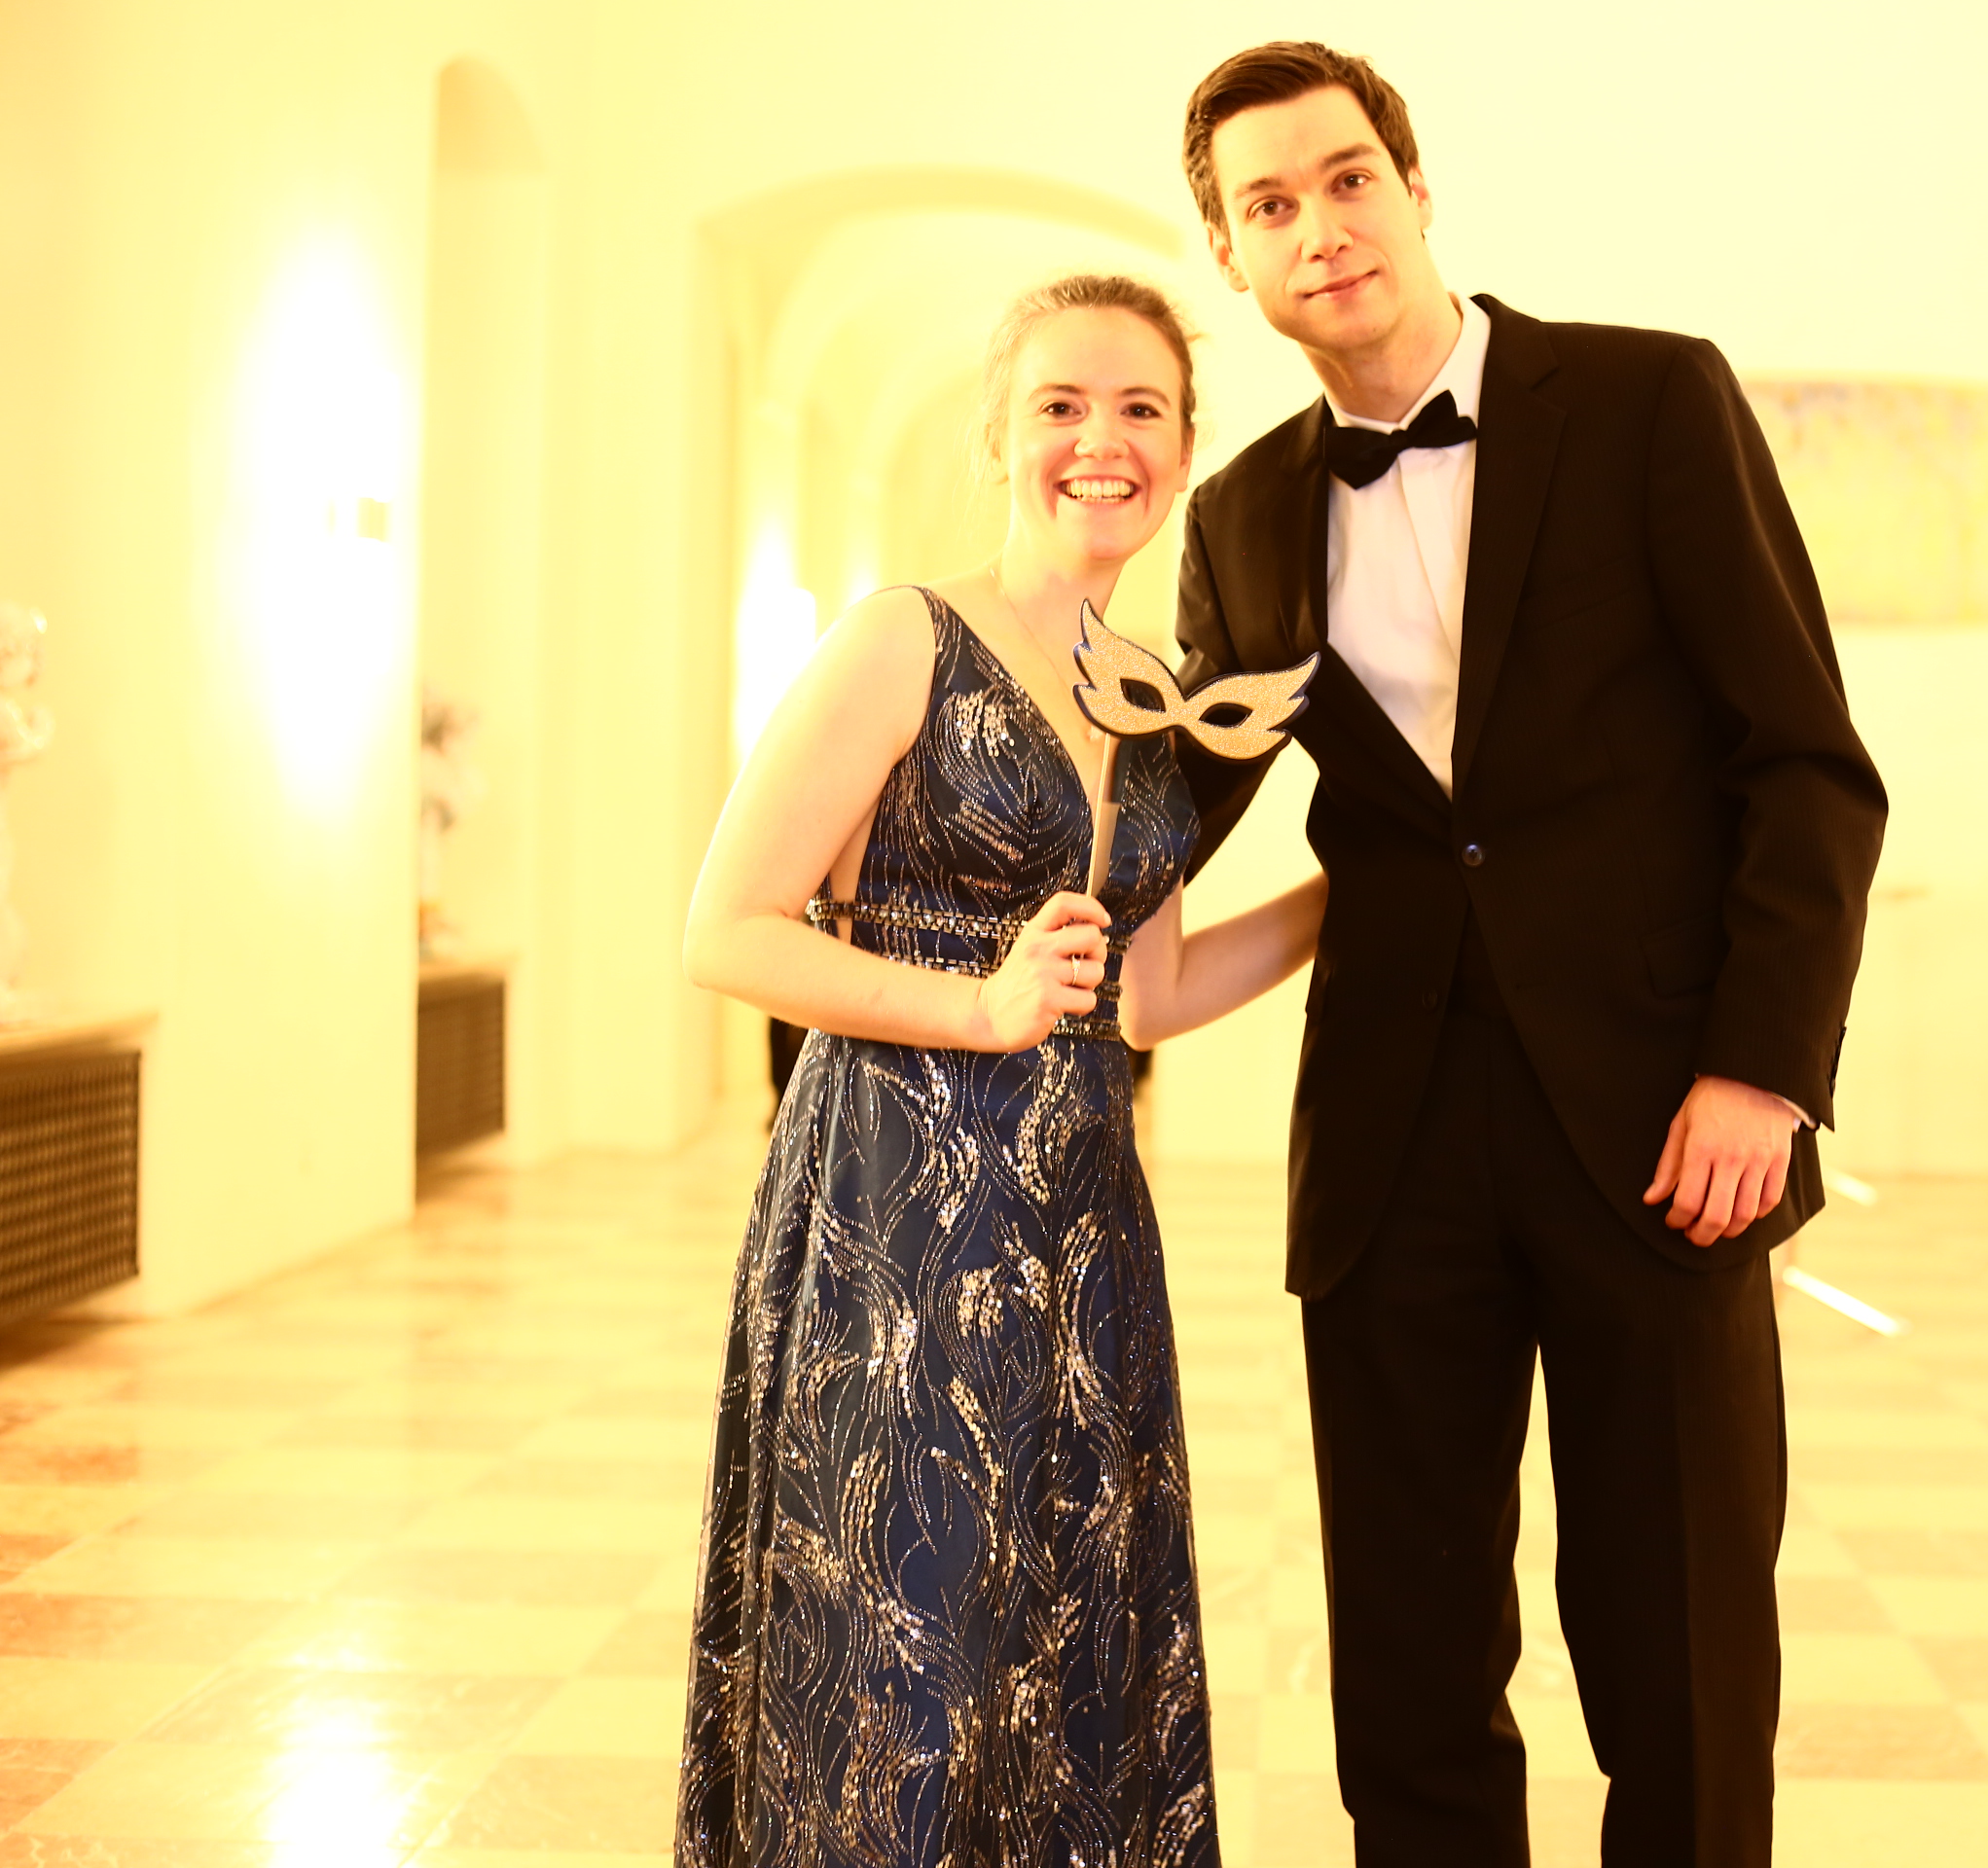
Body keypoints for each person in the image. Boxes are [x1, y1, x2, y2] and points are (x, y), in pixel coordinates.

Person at [1169, 45, 1887, 1867]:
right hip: (1391, 1141)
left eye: (1347, 179)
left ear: (1416, 190)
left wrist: (1763, 1072)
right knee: (1408, 1664)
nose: (1320, 228)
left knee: (1679, 1647)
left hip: (1666, 1125)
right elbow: (1172, 804)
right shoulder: (1241, 515)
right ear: (1231, 259)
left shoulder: (1650, 399)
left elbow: (1806, 763)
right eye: (1269, 205)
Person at [674, 274, 1324, 1868]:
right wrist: (976, 1006)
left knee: (1064, 1659)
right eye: (1061, 405)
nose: (1102, 439)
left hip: (1084, 1239)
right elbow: (726, 929)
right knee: (904, 1656)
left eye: (1141, 409)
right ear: (998, 438)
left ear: (1183, 451)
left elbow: (1152, 998)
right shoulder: (904, 639)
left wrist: (1354, 896)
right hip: (895, 1219)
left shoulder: (1149, 700)